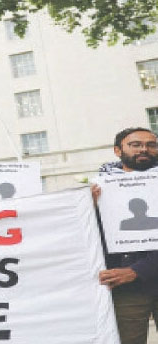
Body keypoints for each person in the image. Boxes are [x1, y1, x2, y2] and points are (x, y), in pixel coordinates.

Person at [93, 127, 158, 344]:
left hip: (132, 274)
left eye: (151, 145)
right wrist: (89, 209)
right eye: (135, 144)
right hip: (124, 287)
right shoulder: (98, 188)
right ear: (117, 150)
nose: (144, 149)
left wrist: (137, 270)